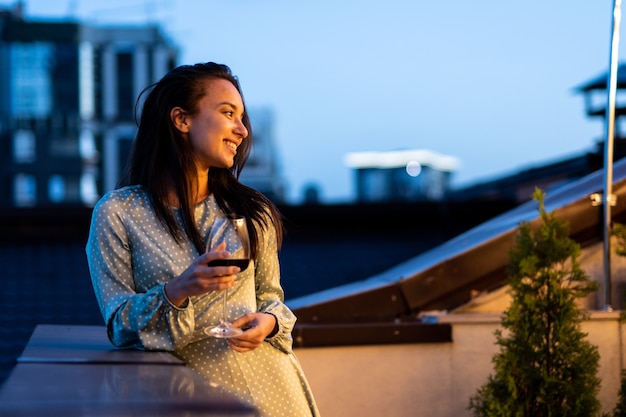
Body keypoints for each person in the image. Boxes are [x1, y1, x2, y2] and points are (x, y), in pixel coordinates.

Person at [86, 62, 320, 417]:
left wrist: (267, 323)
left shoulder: (252, 210)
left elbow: (272, 298)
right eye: (228, 113)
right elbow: (119, 324)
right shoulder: (117, 212)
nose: (242, 130)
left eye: (243, 118)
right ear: (182, 119)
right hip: (178, 398)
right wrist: (179, 289)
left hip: (273, 393)